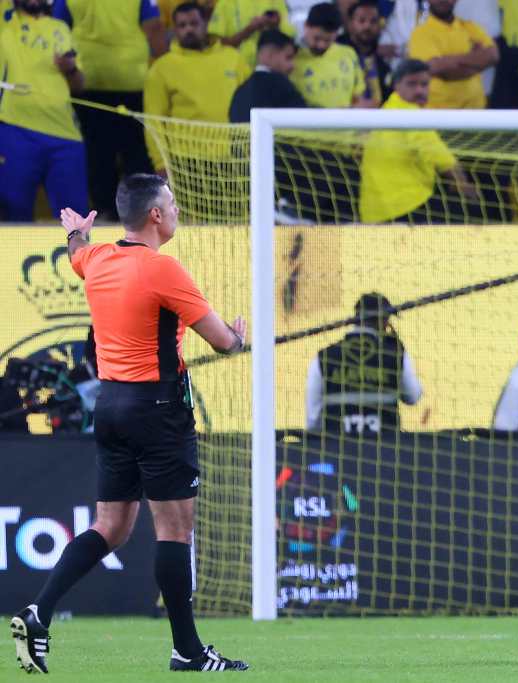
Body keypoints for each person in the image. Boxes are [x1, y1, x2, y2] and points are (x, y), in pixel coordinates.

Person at [9, 174, 248, 674]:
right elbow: (222, 342)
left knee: (111, 526)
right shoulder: (164, 270)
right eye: (173, 204)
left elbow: (77, 253)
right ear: (156, 216)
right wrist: (239, 337)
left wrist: (75, 231)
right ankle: (187, 650)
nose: (178, 211)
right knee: (174, 531)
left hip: (111, 407)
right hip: (158, 410)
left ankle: (39, 611)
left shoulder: (96, 259)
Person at [52, 0, 167, 222]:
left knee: (97, 158)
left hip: (86, 84)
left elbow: (56, 29)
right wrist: (167, 67)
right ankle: (141, 217)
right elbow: (154, 29)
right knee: (136, 156)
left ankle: (104, 213)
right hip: (132, 83)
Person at [0, 0, 88, 222]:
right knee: (14, 215)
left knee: (76, 221)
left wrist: (70, 69)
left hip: (66, 136)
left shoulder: (61, 28)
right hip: (16, 131)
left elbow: (79, 85)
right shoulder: (5, 22)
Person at [359, 59, 475, 224]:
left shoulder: (389, 109)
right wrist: (463, 184)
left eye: (424, 84)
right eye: (411, 84)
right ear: (396, 86)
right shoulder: (409, 114)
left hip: (375, 212)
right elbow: (437, 154)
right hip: (407, 205)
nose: (419, 90)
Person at [143, 2, 250, 174]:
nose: (188, 30)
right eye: (182, 25)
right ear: (175, 30)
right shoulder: (161, 68)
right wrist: (160, 164)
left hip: (233, 158)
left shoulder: (234, 59)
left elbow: (251, 105)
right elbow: (154, 121)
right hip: (185, 162)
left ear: (206, 23)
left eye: (194, 23)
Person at [305, 292, 423, 436]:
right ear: (383, 320)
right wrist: (397, 349)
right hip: (385, 448)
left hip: (336, 447)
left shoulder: (324, 356)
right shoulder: (394, 353)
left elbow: (312, 417)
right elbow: (413, 396)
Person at [407, 0, 499, 109]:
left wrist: (447, 61)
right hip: (438, 114)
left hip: (475, 112)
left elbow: (493, 55)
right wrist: (475, 61)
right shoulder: (420, 33)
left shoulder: (470, 27)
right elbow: (433, 67)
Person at [229, 29, 306, 123]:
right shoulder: (281, 85)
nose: (292, 65)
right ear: (269, 55)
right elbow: (303, 119)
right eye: (288, 57)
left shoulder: (240, 91)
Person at [208, 0, 296, 67]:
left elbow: (290, 39)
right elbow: (215, 45)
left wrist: (275, 26)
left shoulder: (276, 1)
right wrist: (249, 29)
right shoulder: (226, 2)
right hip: (236, 71)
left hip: (269, 70)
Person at [340, 0, 393, 105]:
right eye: (361, 21)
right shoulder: (335, 54)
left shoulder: (383, 65)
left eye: (373, 21)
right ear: (350, 23)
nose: (367, 26)